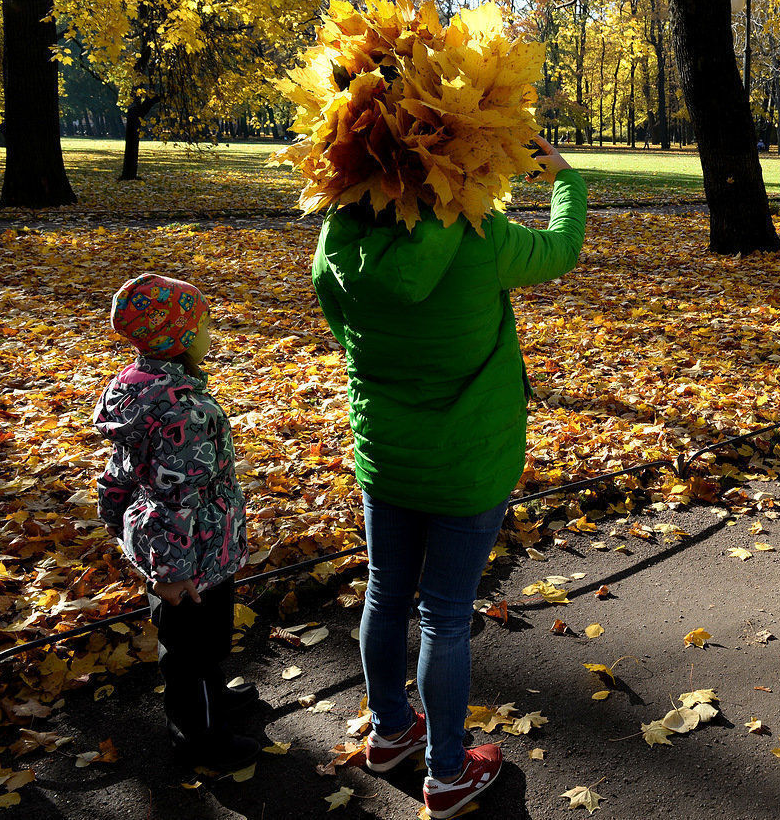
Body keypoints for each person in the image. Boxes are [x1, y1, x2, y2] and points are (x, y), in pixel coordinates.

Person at [311, 135, 585, 819]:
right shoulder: (479, 234)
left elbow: (341, 324)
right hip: (468, 458)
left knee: (385, 591)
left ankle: (389, 731)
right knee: (445, 613)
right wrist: (567, 180)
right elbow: (560, 250)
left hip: (387, 451)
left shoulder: (340, 233)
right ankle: (448, 771)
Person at [93, 274, 257, 772]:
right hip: (189, 554)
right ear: (180, 336)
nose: (212, 331)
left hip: (177, 546)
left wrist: (120, 522)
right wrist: (172, 569)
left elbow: (122, 471)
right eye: (204, 322)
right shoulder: (183, 410)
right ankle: (200, 739)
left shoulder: (135, 389)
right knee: (193, 651)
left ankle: (207, 703)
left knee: (197, 643)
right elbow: (174, 496)